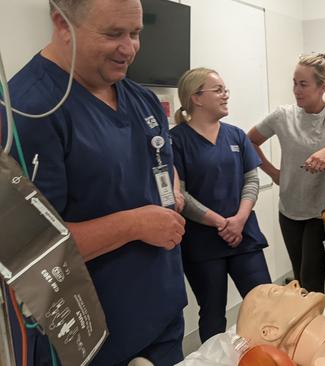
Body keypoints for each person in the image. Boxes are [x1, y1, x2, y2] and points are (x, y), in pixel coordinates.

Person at [4, 0, 187, 364]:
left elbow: (159, 162)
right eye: (113, 34)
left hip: (161, 313)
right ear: (61, 23)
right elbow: (31, 252)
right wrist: (135, 223)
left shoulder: (142, 100)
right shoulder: (29, 111)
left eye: (135, 33)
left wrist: (173, 189)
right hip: (90, 337)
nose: (129, 48)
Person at [171, 67, 271, 342]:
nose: (226, 95)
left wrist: (239, 219)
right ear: (196, 98)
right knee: (213, 312)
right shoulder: (175, 140)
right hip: (203, 243)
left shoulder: (236, 135)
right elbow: (180, 193)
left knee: (265, 305)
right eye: (218, 90)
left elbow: (251, 179)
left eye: (225, 90)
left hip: (244, 236)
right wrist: (220, 222)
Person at [248, 52, 325, 293]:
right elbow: (250, 142)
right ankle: (306, 324)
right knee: (300, 278)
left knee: (312, 279)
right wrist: (273, 172)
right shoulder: (282, 115)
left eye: (303, 84)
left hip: (321, 213)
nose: (297, 90)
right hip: (289, 210)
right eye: (294, 83)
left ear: (323, 86)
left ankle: (317, 326)